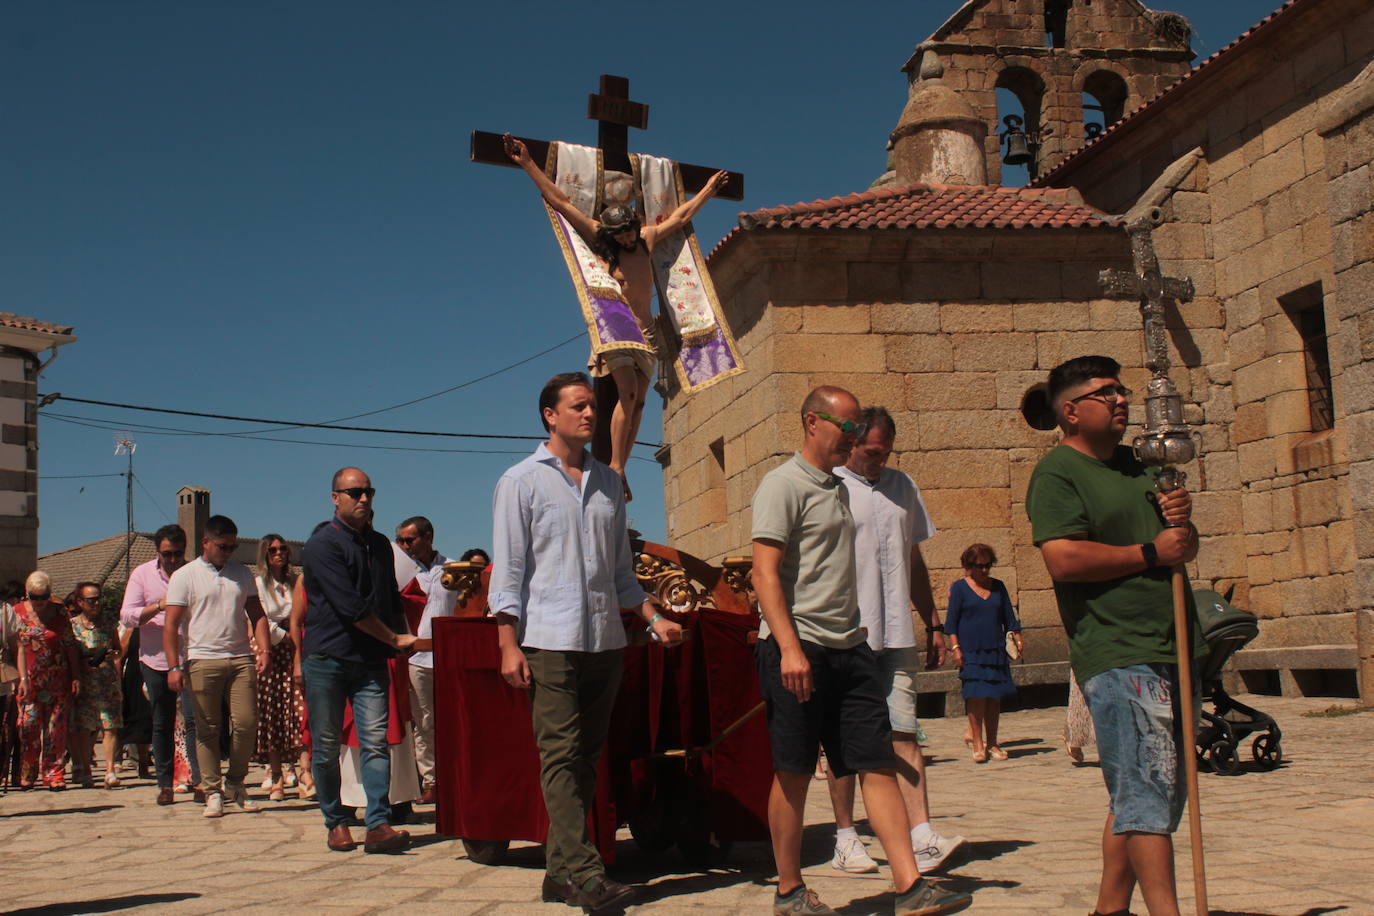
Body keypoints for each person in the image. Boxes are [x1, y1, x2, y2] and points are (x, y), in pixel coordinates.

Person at [751, 386, 971, 916]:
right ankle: (789, 891)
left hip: (853, 647)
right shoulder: (781, 485)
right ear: (811, 422)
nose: (852, 438)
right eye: (845, 427)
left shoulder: (841, 489)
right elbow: (763, 573)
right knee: (795, 770)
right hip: (798, 649)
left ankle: (910, 884)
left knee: (876, 762)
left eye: (856, 429)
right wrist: (789, 649)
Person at [491, 371, 683, 912]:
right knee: (560, 756)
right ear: (549, 415)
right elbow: (507, 573)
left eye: (593, 406)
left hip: (604, 639)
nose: (590, 414)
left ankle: (558, 872)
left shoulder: (607, 484)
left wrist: (653, 617)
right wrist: (509, 645)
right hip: (548, 640)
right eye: (577, 406)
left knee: (585, 761)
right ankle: (585, 874)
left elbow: (623, 572)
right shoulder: (521, 481)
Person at [1026, 355, 1201, 916]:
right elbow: (1063, 558)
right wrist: (1150, 551)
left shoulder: (1142, 466)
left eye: (1122, 390)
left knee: (1148, 792)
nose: (1121, 400)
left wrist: (1182, 526)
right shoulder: (1058, 472)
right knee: (1149, 792)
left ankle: (1108, 910)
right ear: (1071, 411)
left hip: (1170, 641)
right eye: (1106, 393)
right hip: (1119, 648)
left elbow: (1179, 545)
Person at [504, 133, 728, 498]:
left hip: (647, 331)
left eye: (628, 233)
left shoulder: (648, 238)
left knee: (639, 400)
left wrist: (708, 190)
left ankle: (620, 462)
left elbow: (682, 215)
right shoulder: (601, 239)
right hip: (617, 326)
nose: (625, 240)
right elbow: (561, 202)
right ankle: (616, 466)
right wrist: (528, 163)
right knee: (625, 392)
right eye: (619, 236)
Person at [826, 407, 968, 877]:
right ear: (853, 445)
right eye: (871, 452)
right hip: (848, 633)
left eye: (885, 453)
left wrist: (933, 621)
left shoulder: (902, 486)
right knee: (845, 740)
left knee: (905, 730)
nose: (878, 461)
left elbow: (914, 559)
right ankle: (846, 837)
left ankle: (922, 834)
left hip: (897, 633)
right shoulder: (831, 486)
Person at [301, 467, 416, 854]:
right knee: (328, 744)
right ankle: (336, 822)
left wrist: (403, 641)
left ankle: (378, 823)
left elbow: (387, 598)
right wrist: (394, 637)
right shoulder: (321, 546)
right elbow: (352, 607)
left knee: (375, 742)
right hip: (327, 657)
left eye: (369, 491)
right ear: (335, 498)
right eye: (355, 493)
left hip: (370, 660)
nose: (364, 499)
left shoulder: (382, 544)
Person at [164, 515, 272, 818]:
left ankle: (235, 782)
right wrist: (174, 666)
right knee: (208, 729)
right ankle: (211, 790)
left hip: (239, 657)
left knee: (247, 723)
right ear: (206, 543)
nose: (229, 551)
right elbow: (171, 625)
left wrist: (263, 649)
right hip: (201, 658)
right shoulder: (185, 575)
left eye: (233, 546)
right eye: (223, 546)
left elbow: (257, 612)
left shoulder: (243, 573)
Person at [120, 523, 202, 805]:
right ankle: (165, 783)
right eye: (167, 554)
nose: (172, 560)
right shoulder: (142, 574)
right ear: (158, 551)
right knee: (162, 721)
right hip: (155, 658)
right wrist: (159, 606)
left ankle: (199, 781)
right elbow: (127, 616)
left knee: (195, 721)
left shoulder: (193, 572)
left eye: (177, 554)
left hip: (190, 656)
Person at [946, 544, 1023, 763]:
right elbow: (951, 623)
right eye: (980, 566)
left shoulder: (998, 587)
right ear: (969, 566)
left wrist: (1016, 637)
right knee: (976, 696)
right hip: (971, 651)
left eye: (988, 565)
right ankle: (978, 743)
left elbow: (1009, 617)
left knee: (993, 699)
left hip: (995, 649)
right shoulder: (959, 589)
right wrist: (955, 648)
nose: (984, 571)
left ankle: (993, 742)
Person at [253, 535, 309, 801]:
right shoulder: (258, 585)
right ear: (264, 554)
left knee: (300, 711)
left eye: (283, 548)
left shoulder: (295, 582)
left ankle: (305, 771)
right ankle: (276, 775)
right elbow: (259, 617)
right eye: (273, 550)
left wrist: (295, 634)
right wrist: (282, 634)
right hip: (272, 650)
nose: (279, 553)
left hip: (296, 648)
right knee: (273, 712)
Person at [395, 515, 446, 803]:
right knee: (424, 722)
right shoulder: (403, 573)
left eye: (409, 539)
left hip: (447, 657)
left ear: (428, 537)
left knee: (450, 720)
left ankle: (452, 773)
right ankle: (432, 779)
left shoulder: (452, 570)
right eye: (400, 540)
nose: (405, 546)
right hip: (417, 659)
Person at [14, 572, 81, 790]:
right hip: (29, 681)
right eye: (35, 597)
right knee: (28, 726)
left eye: (44, 596)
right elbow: (17, 649)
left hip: (57, 679)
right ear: (27, 594)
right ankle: (28, 770)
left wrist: (76, 675)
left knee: (56, 729)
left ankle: (54, 773)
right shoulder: (17, 614)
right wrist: (20, 677)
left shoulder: (60, 614)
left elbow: (70, 646)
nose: (40, 602)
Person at [70, 581, 124, 788]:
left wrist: (112, 655)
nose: (97, 603)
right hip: (84, 682)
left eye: (99, 598)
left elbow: (119, 649)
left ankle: (110, 770)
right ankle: (85, 768)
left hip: (107, 681)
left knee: (110, 726)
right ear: (80, 602)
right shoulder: (72, 625)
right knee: (86, 728)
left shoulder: (108, 624)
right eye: (91, 600)